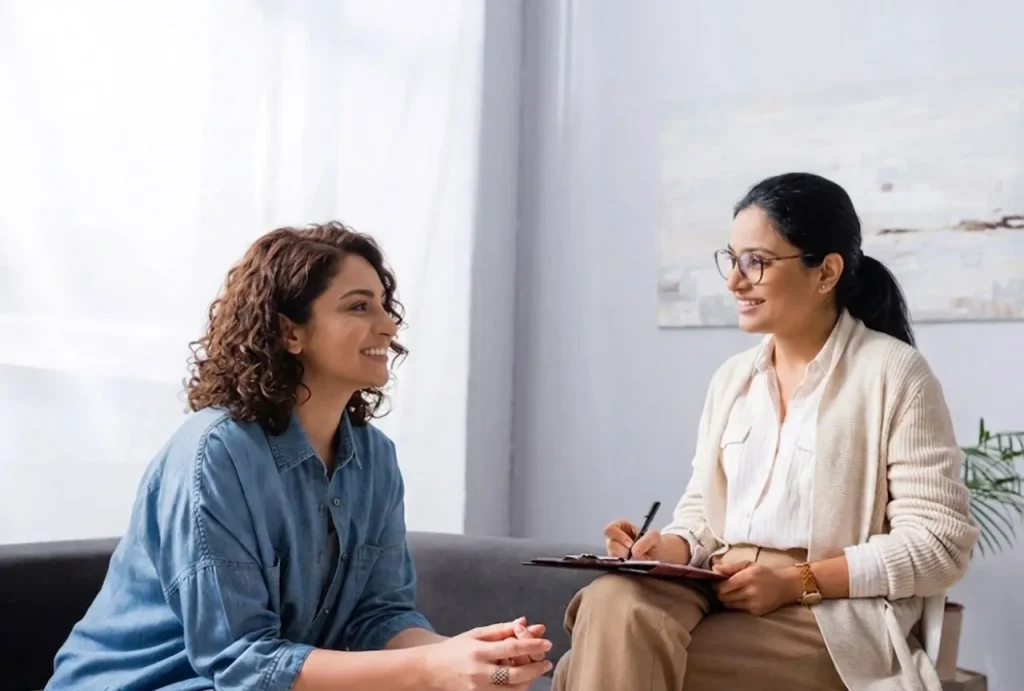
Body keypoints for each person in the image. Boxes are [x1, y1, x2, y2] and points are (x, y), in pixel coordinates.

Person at [46, 223, 553, 691]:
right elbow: (241, 662)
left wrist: (468, 655)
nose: (387, 327)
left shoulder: (374, 459)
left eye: (384, 306)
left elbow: (378, 618)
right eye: (359, 307)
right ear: (291, 332)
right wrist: (429, 669)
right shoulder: (214, 454)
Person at [553, 173, 979, 691]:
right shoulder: (733, 379)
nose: (735, 281)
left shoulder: (895, 375)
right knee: (611, 599)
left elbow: (940, 545)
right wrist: (668, 549)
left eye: (756, 261)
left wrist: (798, 582)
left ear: (825, 273)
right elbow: (704, 518)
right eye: (731, 259)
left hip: (827, 617)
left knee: (591, 666)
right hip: (718, 587)